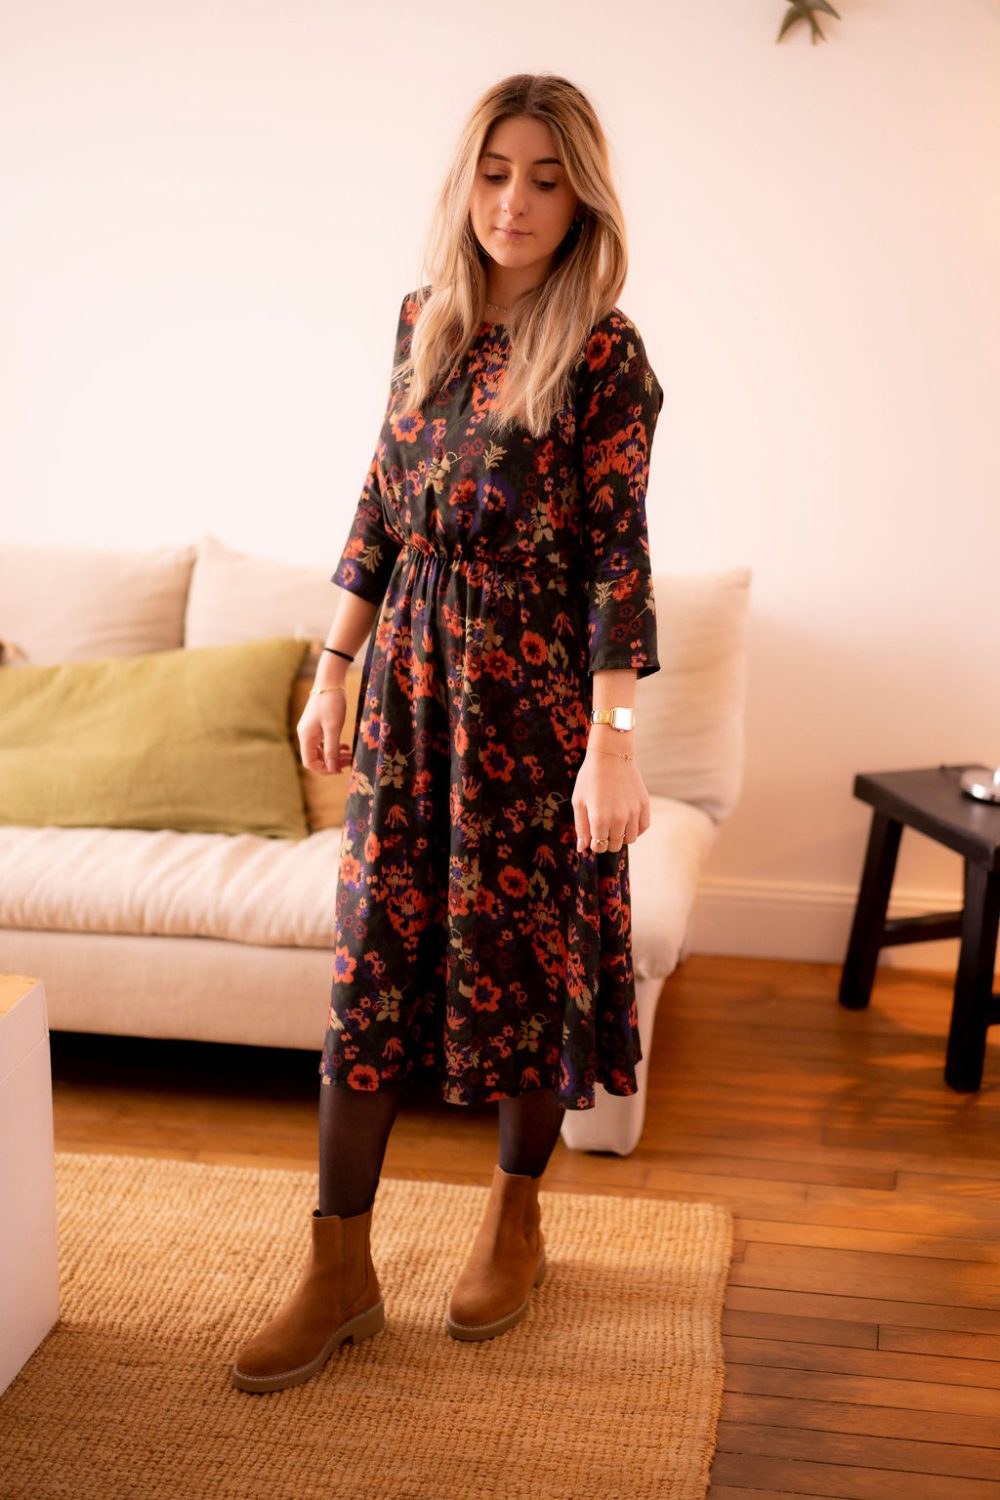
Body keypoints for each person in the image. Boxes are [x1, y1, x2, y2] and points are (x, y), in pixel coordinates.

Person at [231, 71, 665, 1394]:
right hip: (410, 688)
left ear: (581, 197)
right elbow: (379, 500)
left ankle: (515, 1217)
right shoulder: (424, 320)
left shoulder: (606, 355)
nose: (512, 201)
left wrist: (614, 741)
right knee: (371, 960)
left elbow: (618, 561)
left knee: (523, 960)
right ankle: (338, 1265)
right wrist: (333, 669)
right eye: (493, 172)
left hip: (534, 707)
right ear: (464, 181)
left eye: (543, 178)